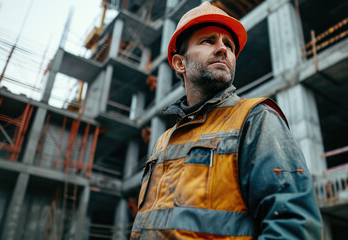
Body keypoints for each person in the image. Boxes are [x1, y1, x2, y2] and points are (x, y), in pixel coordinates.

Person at [130, 2, 322, 239]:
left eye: (228, 45)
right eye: (208, 41)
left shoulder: (256, 118)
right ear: (180, 63)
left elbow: (292, 225)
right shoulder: (163, 142)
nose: (222, 49)